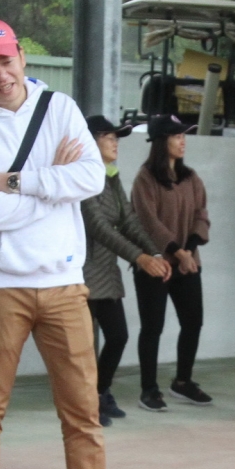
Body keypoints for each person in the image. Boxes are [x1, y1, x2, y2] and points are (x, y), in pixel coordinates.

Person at [0, 17, 148, 469]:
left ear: (22, 58)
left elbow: (89, 178)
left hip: (64, 283)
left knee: (82, 409)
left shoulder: (58, 109)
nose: (0, 73)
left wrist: (18, 180)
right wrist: (50, 187)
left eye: (5, 59)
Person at [80, 114, 166, 426]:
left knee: (118, 336)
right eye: (109, 136)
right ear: (91, 141)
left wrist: (154, 251)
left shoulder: (111, 176)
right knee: (85, 347)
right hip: (81, 274)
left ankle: (100, 392)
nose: (116, 142)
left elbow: (128, 221)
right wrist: (140, 258)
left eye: (117, 136)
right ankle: (87, 405)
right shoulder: (82, 177)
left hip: (106, 271)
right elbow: (99, 227)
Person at [130, 113, 212, 411]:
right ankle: (148, 389)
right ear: (161, 141)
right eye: (177, 136)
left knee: (194, 321)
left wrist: (188, 250)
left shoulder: (191, 178)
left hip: (187, 262)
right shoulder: (145, 178)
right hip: (155, 264)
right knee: (153, 327)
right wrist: (178, 252)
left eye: (183, 135)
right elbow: (149, 223)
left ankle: (183, 382)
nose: (182, 141)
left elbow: (202, 216)